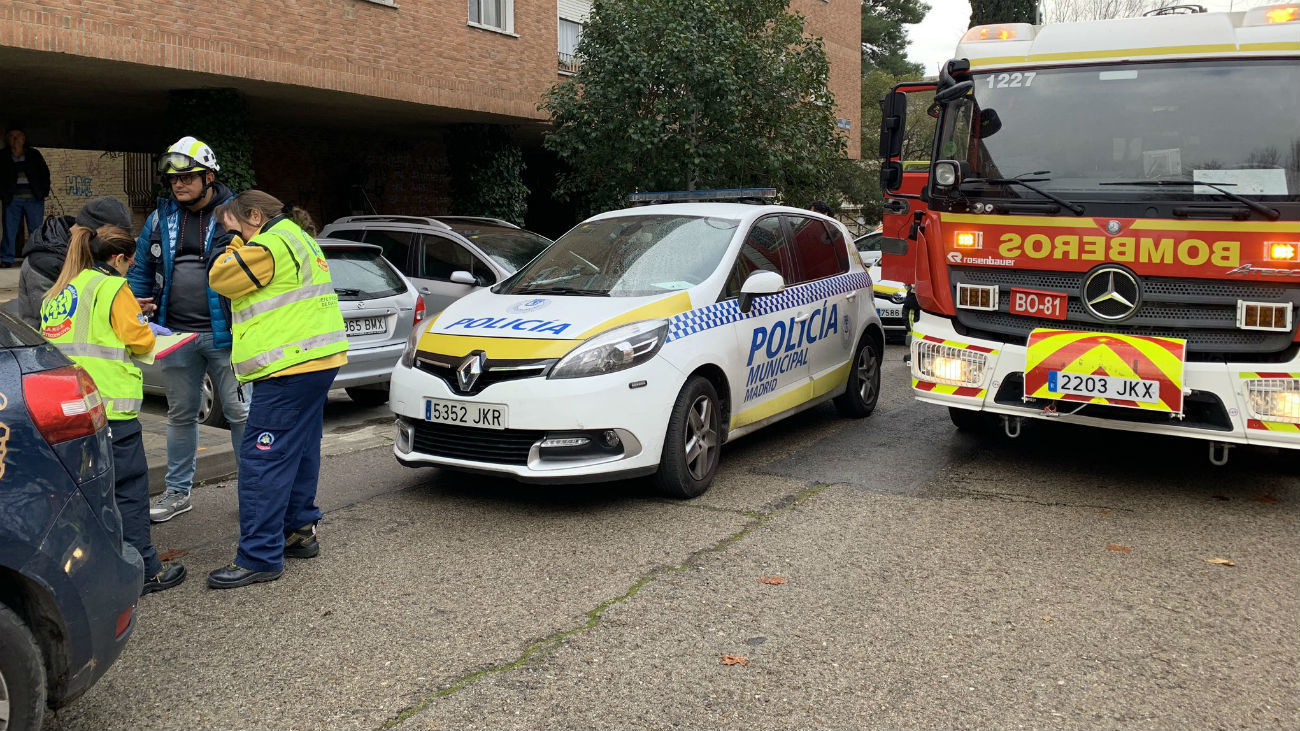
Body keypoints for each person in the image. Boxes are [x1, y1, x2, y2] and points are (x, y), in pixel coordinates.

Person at [206, 190, 347, 589]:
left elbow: (221, 278)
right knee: (300, 449)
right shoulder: (299, 237)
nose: (230, 234)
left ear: (254, 216)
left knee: (262, 459)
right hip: (317, 360)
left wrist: (233, 243)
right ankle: (298, 532)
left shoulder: (268, 244)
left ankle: (259, 556)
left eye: (232, 225)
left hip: (288, 367)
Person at [39, 223, 187, 594]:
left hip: (66, 409)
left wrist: (133, 316)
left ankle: (84, 574)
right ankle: (145, 571)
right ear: (118, 258)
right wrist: (147, 327)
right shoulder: (113, 288)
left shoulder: (61, 290)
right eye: (130, 261)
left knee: (81, 495)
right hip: (109, 409)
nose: (132, 266)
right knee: (128, 491)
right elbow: (139, 342)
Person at [129, 136, 248, 523]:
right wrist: (134, 305)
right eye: (173, 179)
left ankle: (254, 493)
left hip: (227, 336)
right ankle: (177, 493)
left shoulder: (236, 215)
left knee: (239, 413)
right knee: (181, 415)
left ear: (209, 177)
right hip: (175, 335)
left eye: (187, 177)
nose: (178, 184)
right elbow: (141, 270)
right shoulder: (159, 218)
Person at [18, 196, 132, 328]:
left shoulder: (87, 251)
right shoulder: (45, 263)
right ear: (97, 234)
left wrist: (121, 305)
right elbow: (55, 323)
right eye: (115, 241)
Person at [0, 127, 52, 268]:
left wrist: (43, 191)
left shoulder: (33, 154)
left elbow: (44, 173)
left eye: (18, 136)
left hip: (34, 198)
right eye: (12, 136)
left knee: (36, 230)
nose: (15, 139)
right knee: (9, 229)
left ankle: (37, 258)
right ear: (7, 139)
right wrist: (3, 194)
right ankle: (6, 258)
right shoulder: (3, 155)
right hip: (12, 198)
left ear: (24, 138)